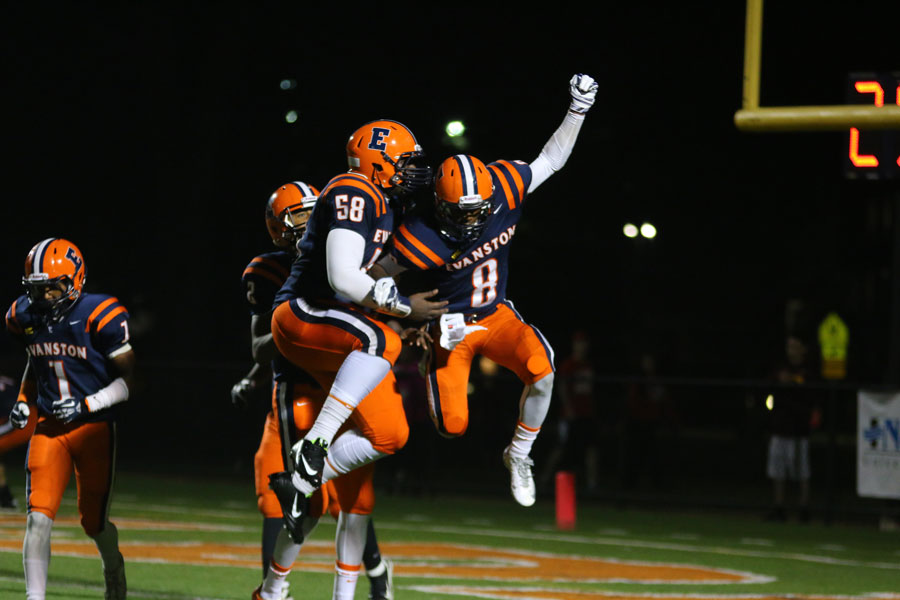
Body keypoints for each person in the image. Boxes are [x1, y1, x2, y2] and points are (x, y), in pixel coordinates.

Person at [371, 74, 598, 506]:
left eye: (481, 211)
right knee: (452, 425)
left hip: (496, 314)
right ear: (440, 204)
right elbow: (372, 277)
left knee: (544, 372)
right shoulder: (420, 234)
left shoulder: (506, 185)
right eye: (463, 213)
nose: (474, 221)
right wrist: (404, 312)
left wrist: (577, 110)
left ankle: (520, 454)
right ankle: (430, 364)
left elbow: (550, 160)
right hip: (449, 327)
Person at [269, 119, 447, 509]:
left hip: (337, 325)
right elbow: (343, 278)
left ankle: (301, 480)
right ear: (377, 163)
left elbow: (367, 283)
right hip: (301, 312)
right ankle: (313, 445)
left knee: (390, 434)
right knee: (383, 340)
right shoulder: (355, 189)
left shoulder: (388, 202)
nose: (414, 171)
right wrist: (404, 307)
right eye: (404, 161)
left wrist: (406, 315)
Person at [234, 183, 394, 600]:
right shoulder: (268, 269)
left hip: (347, 385)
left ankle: (371, 577)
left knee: (356, 497)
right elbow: (259, 346)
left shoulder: (350, 250)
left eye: (314, 213)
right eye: (300, 216)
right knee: (304, 500)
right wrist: (301, 322)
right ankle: (273, 588)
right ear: (278, 228)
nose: (310, 223)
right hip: (301, 387)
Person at [4, 237, 133, 600]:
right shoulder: (23, 316)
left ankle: (113, 567)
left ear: (74, 280)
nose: (43, 296)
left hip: (93, 428)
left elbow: (129, 381)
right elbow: (38, 360)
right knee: (38, 516)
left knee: (94, 523)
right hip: (50, 427)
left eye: (51, 287)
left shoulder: (100, 313)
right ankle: (35, 597)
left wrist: (87, 405)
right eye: (36, 288)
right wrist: (25, 401)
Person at [765, 334, 820, 522]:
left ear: (803, 349)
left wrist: (794, 381)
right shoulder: (780, 368)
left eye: (795, 346)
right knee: (777, 469)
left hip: (798, 429)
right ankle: (778, 508)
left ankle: (804, 509)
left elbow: (811, 393)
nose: (791, 351)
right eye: (789, 347)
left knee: (801, 471)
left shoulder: (808, 370)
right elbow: (769, 388)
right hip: (780, 427)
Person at [0, 371, 38, 509]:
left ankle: (6, 497)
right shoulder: (6, 380)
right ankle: (6, 498)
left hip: (22, 418)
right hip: (27, 415)